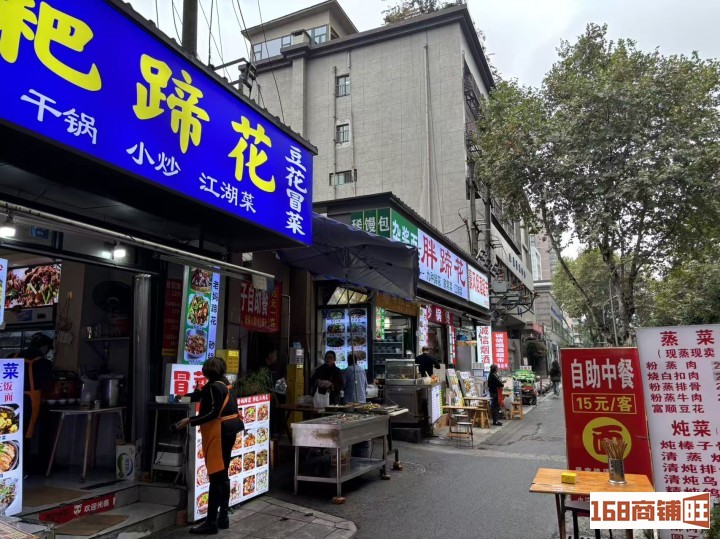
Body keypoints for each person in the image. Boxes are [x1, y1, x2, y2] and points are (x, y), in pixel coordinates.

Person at [176, 358, 244, 535]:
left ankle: (211, 522)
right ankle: (223, 518)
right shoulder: (224, 383)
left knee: (216, 477)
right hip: (229, 431)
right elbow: (201, 395)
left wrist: (190, 420)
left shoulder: (213, 387)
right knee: (223, 475)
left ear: (207, 372)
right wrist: (182, 397)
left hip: (218, 433)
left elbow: (213, 413)